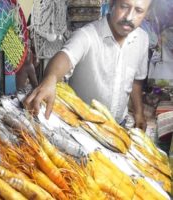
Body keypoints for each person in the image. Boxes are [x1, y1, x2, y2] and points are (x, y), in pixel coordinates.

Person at [24, 0, 153, 131]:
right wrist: (50, 79)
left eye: (139, 11)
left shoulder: (142, 39)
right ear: (112, 4)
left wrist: (138, 112)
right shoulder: (87, 35)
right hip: (81, 128)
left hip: (118, 126)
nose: (129, 17)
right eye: (124, 7)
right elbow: (66, 56)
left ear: (146, 13)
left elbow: (136, 80)